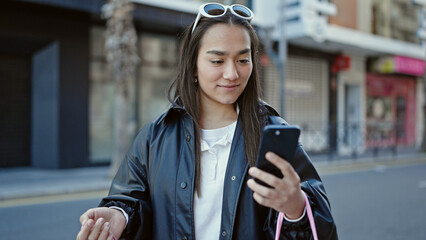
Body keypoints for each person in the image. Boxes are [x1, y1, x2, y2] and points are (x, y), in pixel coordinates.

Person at [76, 3, 337, 240]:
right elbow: (131, 199)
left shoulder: (273, 134)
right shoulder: (154, 138)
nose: (232, 73)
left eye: (243, 60)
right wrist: (120, 216)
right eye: (217, 60)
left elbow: (321, 223)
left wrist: (296, 209)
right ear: (193, 66)